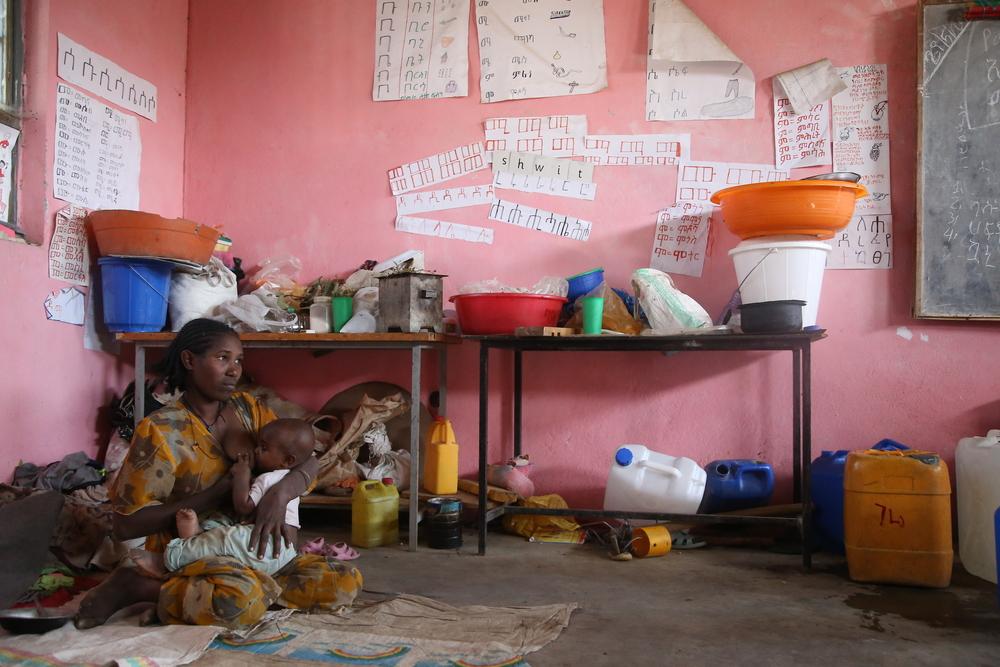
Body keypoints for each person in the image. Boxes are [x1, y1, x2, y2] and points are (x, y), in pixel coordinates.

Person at [75, 319, 362, 629]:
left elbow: (306, 459)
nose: (234, 370)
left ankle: (198, 598)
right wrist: (219, 491)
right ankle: (141, 586)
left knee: (342, 581)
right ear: (189, 361)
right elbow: (125, 525)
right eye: (222, 358)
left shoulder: (249, 409)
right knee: (239, 601)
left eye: (239, 360)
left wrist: (280, 494)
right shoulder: (162, 431)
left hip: (254, 548)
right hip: (193, 553)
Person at [133, 419, 316, 577]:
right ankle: (198, 537)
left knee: (224, 539)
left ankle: (169, 560)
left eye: (264, 448)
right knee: (223, 531)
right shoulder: (287, 477)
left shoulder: (269, 478)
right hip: (283, 554)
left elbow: (243, 507)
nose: (257, 451)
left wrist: (242, 475)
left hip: (265, 546)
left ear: (288, 461)